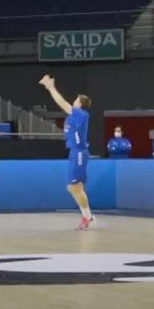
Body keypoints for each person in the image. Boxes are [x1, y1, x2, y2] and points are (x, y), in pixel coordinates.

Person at [38, 74, 94, 230]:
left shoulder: (81, 114)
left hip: (80, 153)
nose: (74, 101)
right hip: (74, 152)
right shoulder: (72, 117)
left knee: (76, 187)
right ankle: (87, 215)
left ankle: (87, 217)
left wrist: (51, 88)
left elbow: (62, 103)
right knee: (73, 187)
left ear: (80, 104)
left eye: (76, 99)